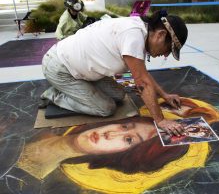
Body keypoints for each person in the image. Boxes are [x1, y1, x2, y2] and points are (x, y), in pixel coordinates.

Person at [40, 10, 188, 135]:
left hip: (82, 69)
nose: (165, 55)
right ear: (161, 35)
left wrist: (165, 95)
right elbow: (142, 82)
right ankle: (54, 94)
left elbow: (142, 73)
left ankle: (74, 88)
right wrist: (160, 120)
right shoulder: (134, 35)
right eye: (169, 49)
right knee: (106, 108)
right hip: (60, 67)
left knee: (119, 95)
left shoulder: (140, 30)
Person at [17, 116, 157, 180]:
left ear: (122, 156)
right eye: (124, 126)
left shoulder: (38, 178)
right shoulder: (33, 124)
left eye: (128, 139)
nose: (110, 134)